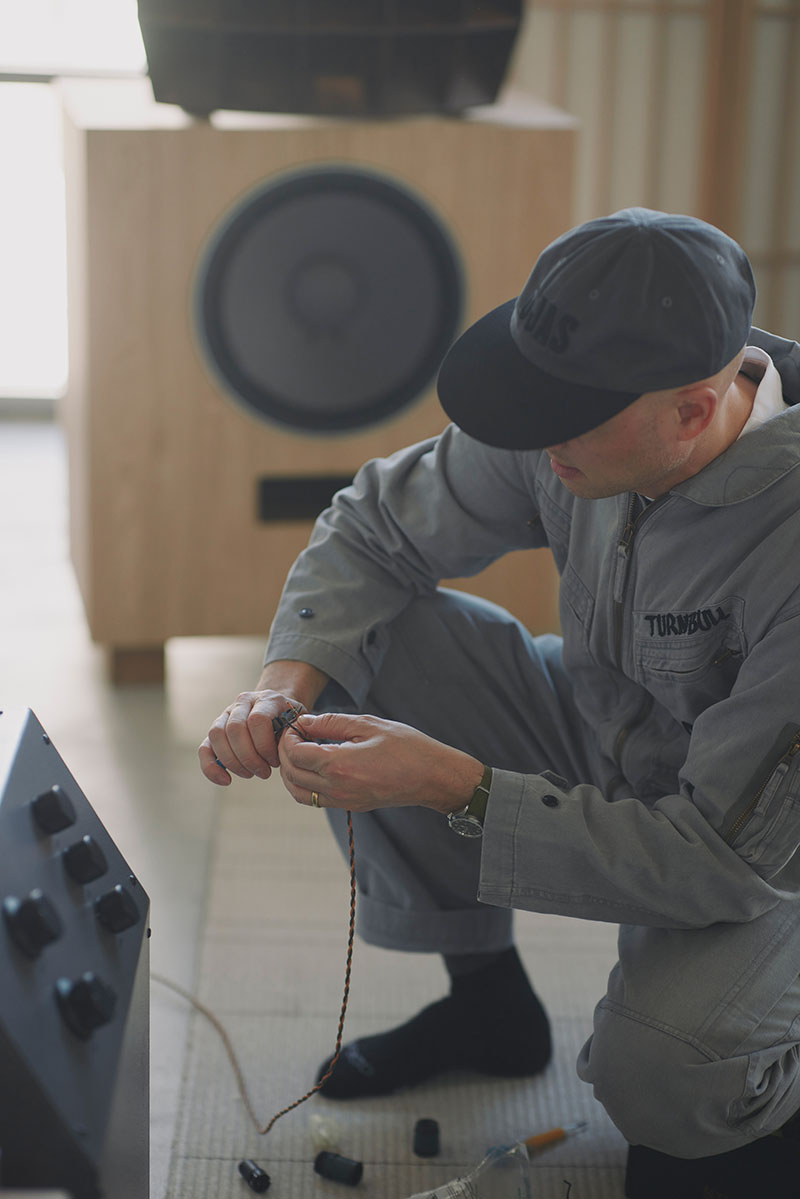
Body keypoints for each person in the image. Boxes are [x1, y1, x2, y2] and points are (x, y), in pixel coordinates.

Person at [199, 208, 800, 1173]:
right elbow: (372, 529)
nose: (531, 439)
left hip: (766, 851)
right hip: (616, 725)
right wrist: (279, 686)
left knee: (671, 1078)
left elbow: (723, 859)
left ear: (692, 410)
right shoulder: (576, 413)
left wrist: (461, 788)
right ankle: (488, 1005)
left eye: (558, 423)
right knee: (369, 642)